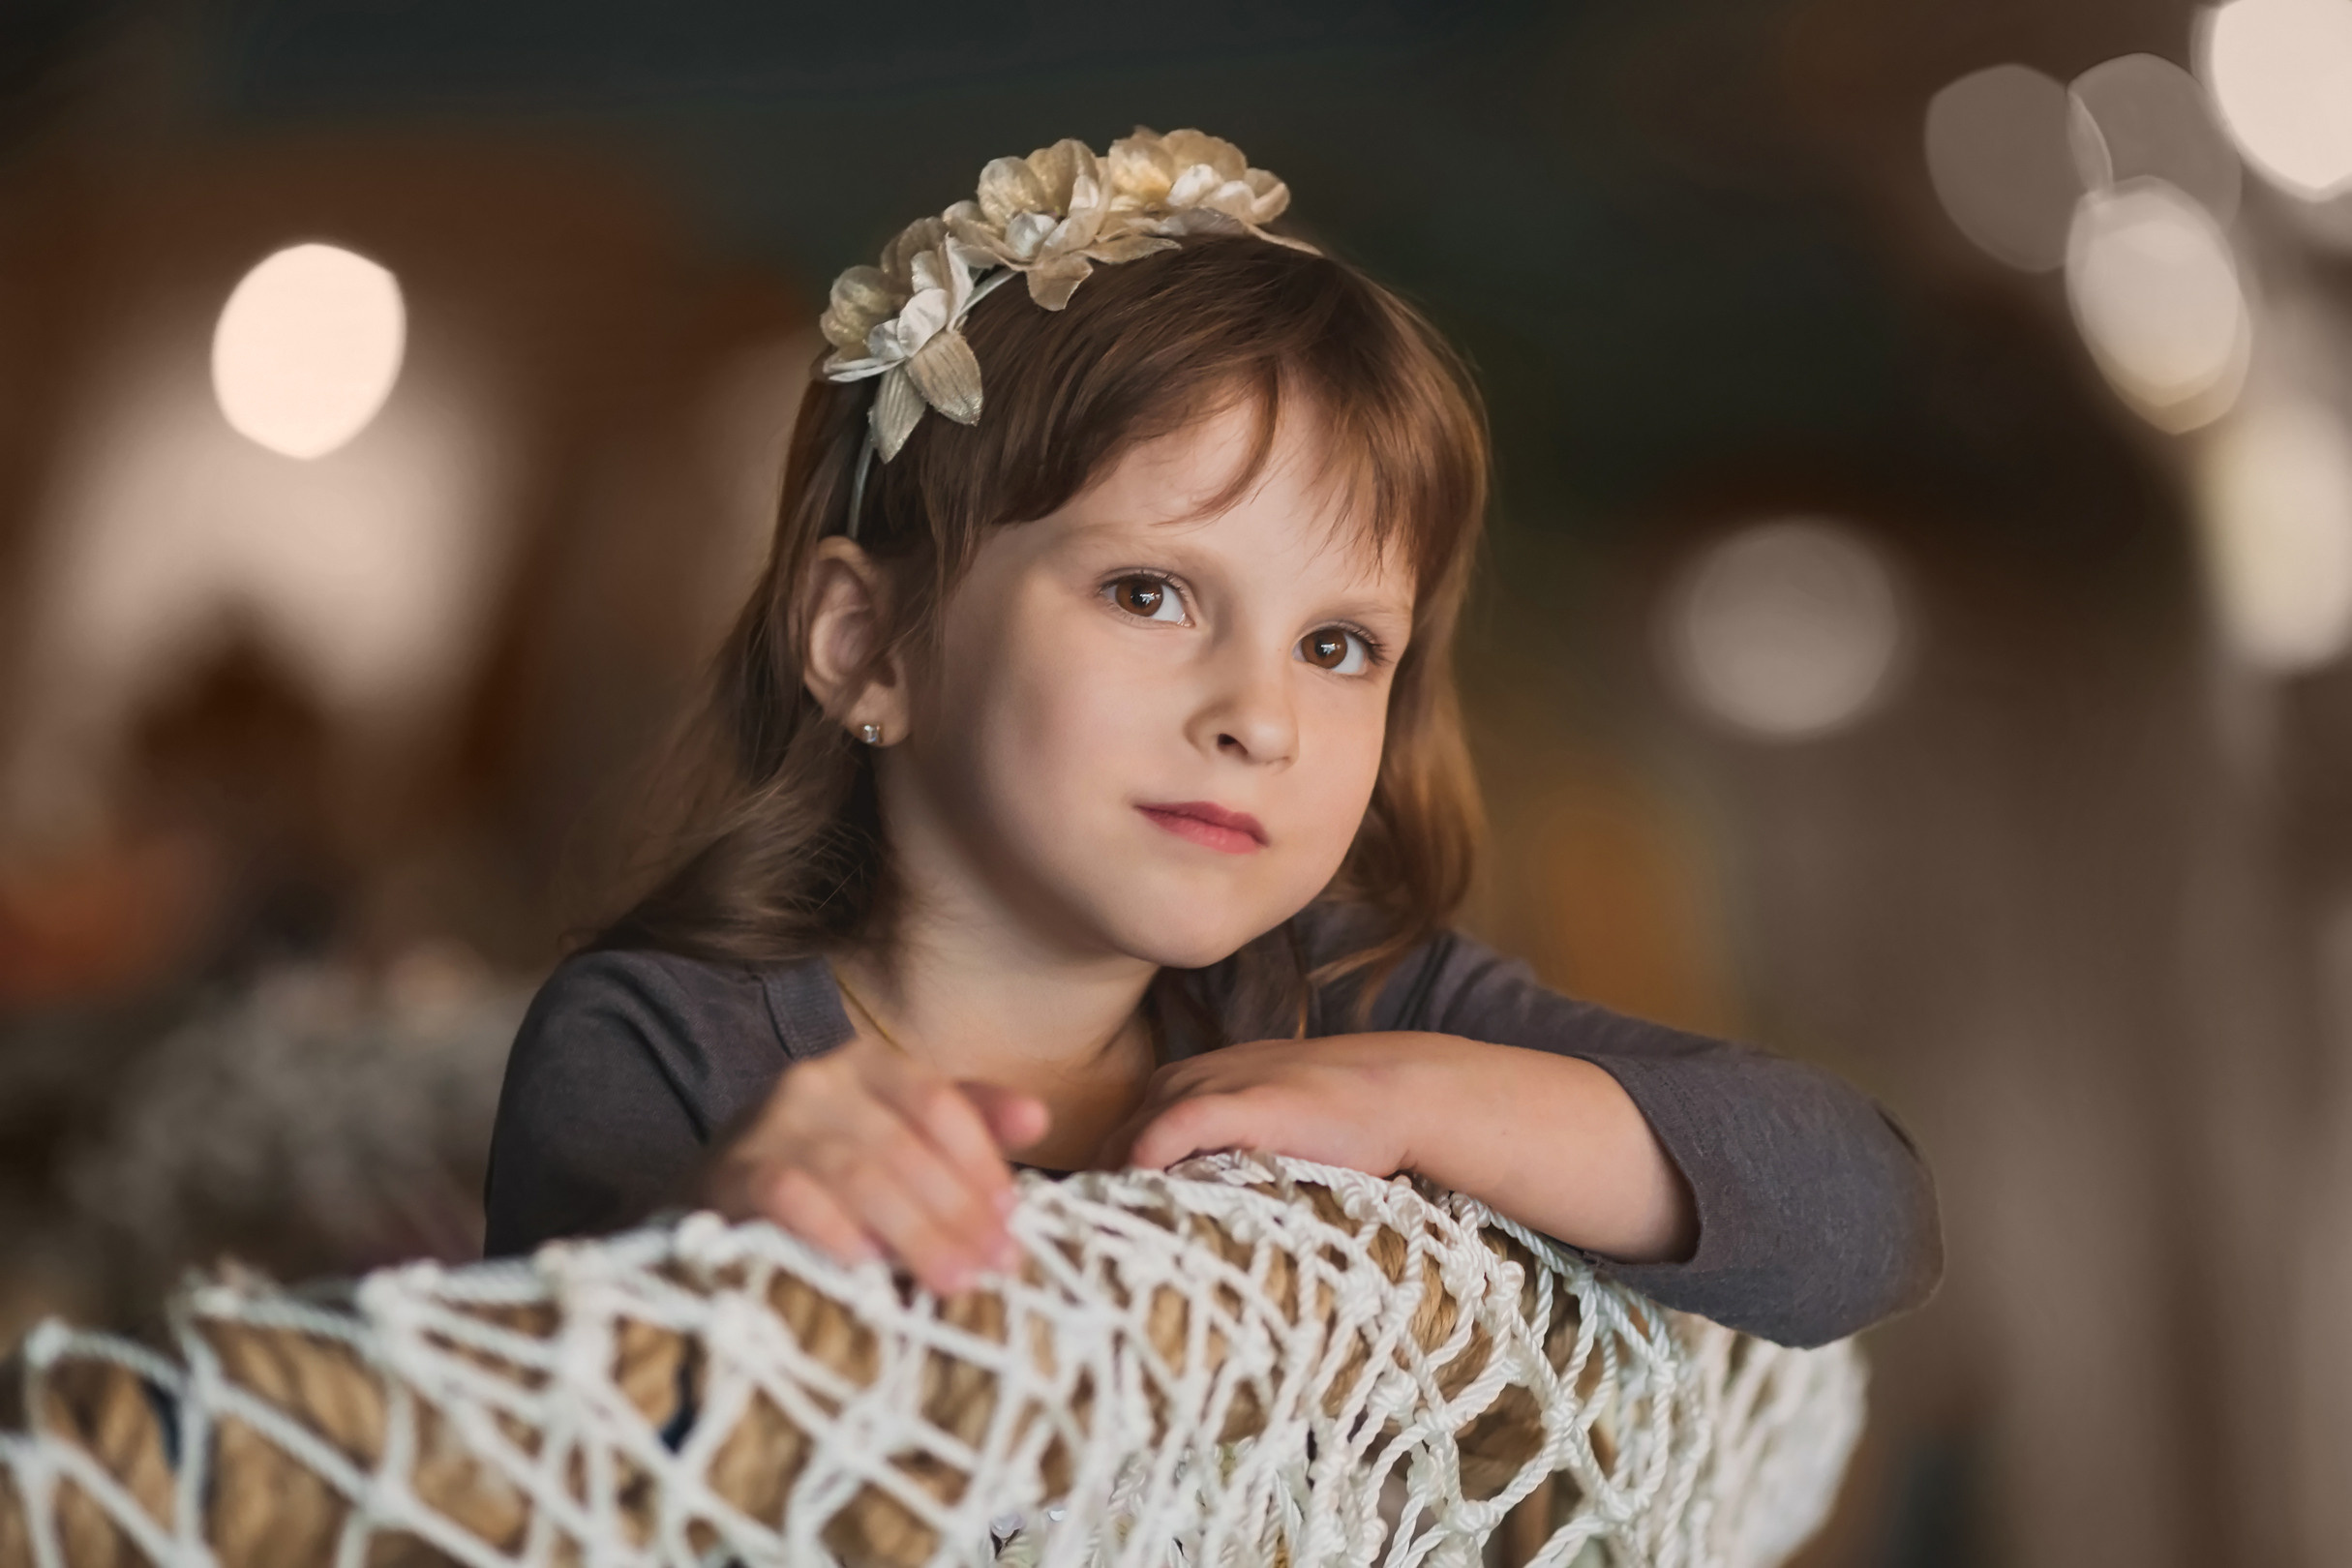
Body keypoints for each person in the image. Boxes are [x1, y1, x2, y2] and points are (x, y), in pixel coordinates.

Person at [483, 129, 1939, 1349]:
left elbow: (1858, 1209)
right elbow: (577, 1450)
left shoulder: (1352, 997)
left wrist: (1421, 1092)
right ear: (868, 646)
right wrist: (731, 1232)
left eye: (1335, 646)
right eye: (1149, 591)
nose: (1257, 717)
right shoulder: (666, 1040)